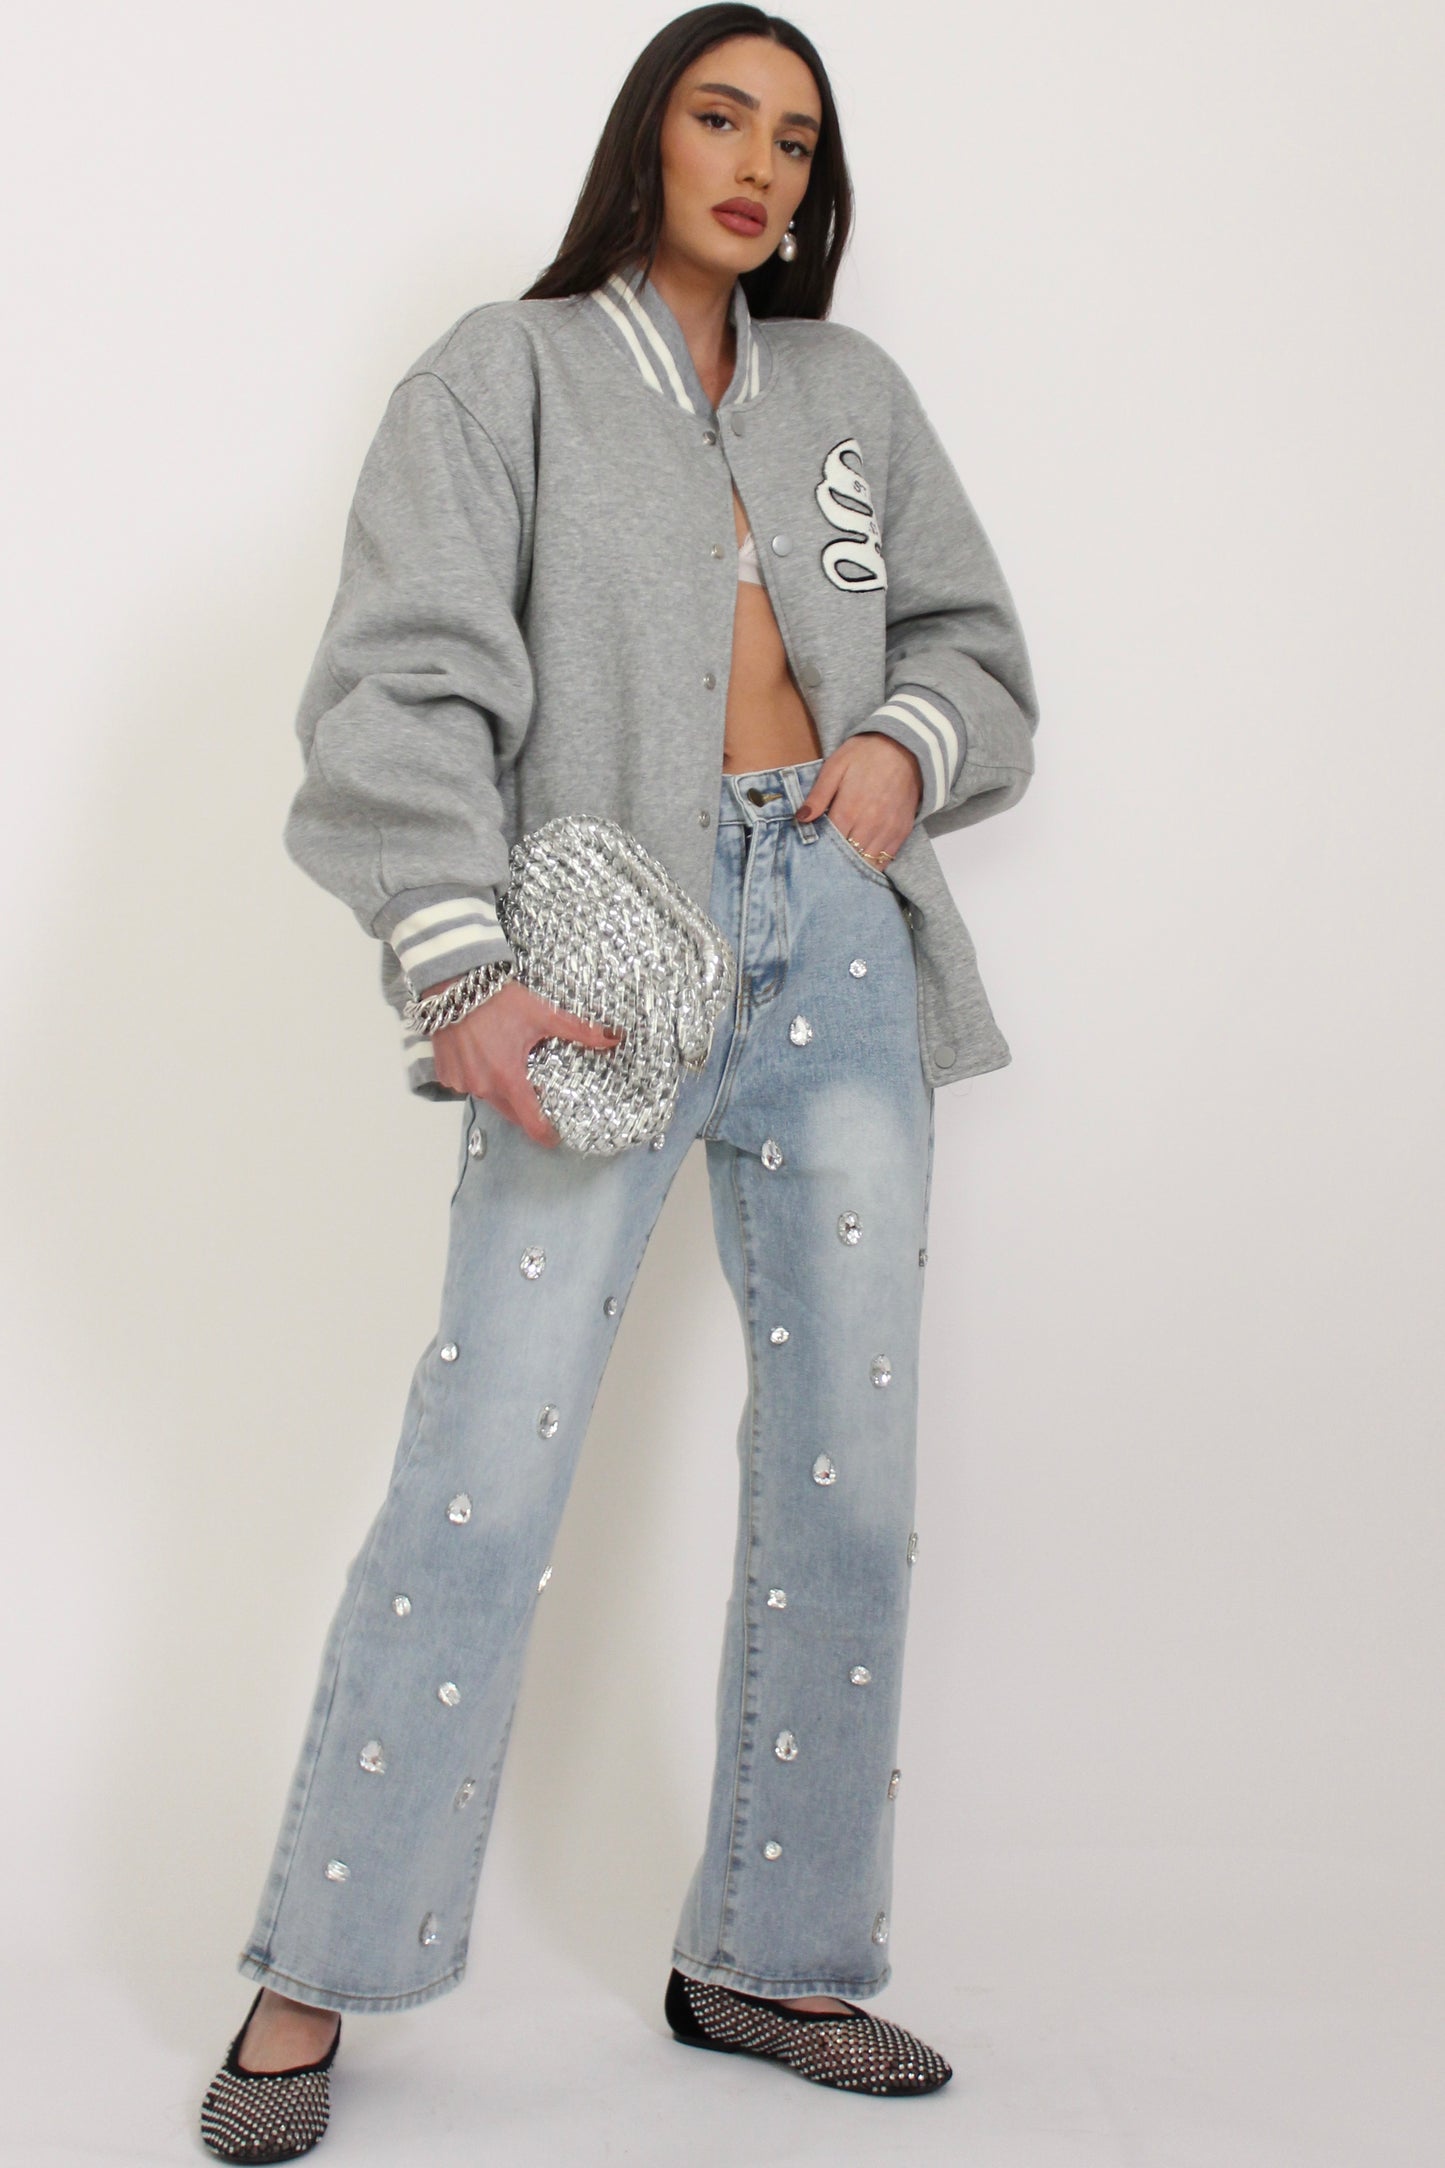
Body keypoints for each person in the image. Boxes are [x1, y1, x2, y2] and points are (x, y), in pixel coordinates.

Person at [199, 6, 1039, 2156]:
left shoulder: (852, 394)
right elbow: (403, 679)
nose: (756, 164)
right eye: (718, 116)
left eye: (795, 139)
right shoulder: (507, 374)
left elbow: (974, 648)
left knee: (852, 1473)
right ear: (646, 140)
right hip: (594, 959)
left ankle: (774, 1953)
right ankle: (316, 1971)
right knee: (487, 1460)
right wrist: (452, 964)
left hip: (835, 939)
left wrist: (900, 745)